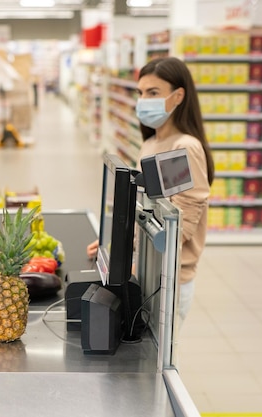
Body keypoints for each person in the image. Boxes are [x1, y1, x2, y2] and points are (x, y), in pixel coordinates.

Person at [87, 56, 214, 324]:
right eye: (141, 93)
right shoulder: (153, 142)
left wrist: (136, 263)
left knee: (158, 362)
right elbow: (147, 210)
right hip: (149, 271)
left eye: (153, 93)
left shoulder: (184, 147)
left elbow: (179, 226)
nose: (143, 100)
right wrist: (119, 247)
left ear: (178, 96)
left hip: (168, 280)